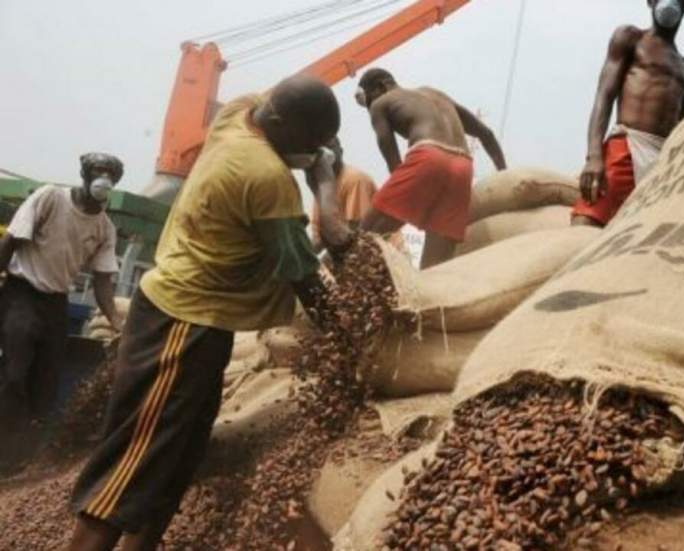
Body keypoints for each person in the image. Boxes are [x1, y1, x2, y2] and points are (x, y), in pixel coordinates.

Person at [65, 75, 348, 551]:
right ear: (280, 124)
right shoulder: (266, 178)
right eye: (306, 142)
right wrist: (324, 184)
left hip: (200, 322)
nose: (308, 152)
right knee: (133, 463)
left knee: (174, 461)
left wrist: (313, 141)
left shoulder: (237, 115)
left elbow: (275, 103)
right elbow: (303, 270)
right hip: (182, 325)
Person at [0, 153, 124, 468]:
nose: (104, 179)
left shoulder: (105, 228)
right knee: (14, 373)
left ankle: (23, 458)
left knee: (46, 383)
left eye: (111, 175)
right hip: (22, 293)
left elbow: (103, 283)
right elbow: (10, 242)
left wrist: (117, 323)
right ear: (85, 174)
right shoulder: (50, 197)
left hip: (55, 303)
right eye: (99, 172)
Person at [355, 68, 507, 268]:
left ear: (380, 87)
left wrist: (411, 201)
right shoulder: (435, 94)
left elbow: (393, 163)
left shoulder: (381, 104)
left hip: (428, 157)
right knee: (435, 269)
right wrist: (504, 174)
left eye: (368, 103)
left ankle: (347, 295)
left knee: (362, 242)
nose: (370, 109)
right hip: (463, 167)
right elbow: (486, 134)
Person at [572, 0, 684, 228]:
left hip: (661, 163)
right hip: (625, 150)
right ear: (650, 1)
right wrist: (594, 156)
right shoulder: (630, 38)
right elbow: (604, 95)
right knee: (585, 223)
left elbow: (682, 129)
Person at [309, 137, 378, 251]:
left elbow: (356, 233)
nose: (326, 154)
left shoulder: (354, 179)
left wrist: (325, 263)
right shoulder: (322, 185)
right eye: (321, 149)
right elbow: (319, 237)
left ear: (340, 151)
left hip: (381, 252)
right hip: (352, 249)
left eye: (329, 147)